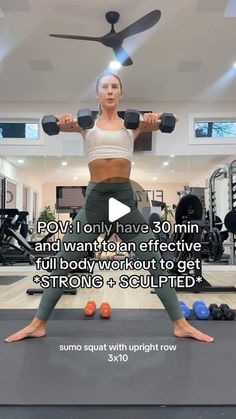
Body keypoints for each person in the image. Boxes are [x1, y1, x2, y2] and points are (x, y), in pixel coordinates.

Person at [5, 72, 214, 343]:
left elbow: (173, 120)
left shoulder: (133, 125)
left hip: (123, 201)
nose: (110, 91)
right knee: (63, 262)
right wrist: (63, 119)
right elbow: (54, 123)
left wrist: (156, 115)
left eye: (115, 86)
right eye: (105, 87)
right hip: (95, 202)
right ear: (98, 94)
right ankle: (37, 323)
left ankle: (180, 324)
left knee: (154, 261)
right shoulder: (86, 125)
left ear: (121, 93)